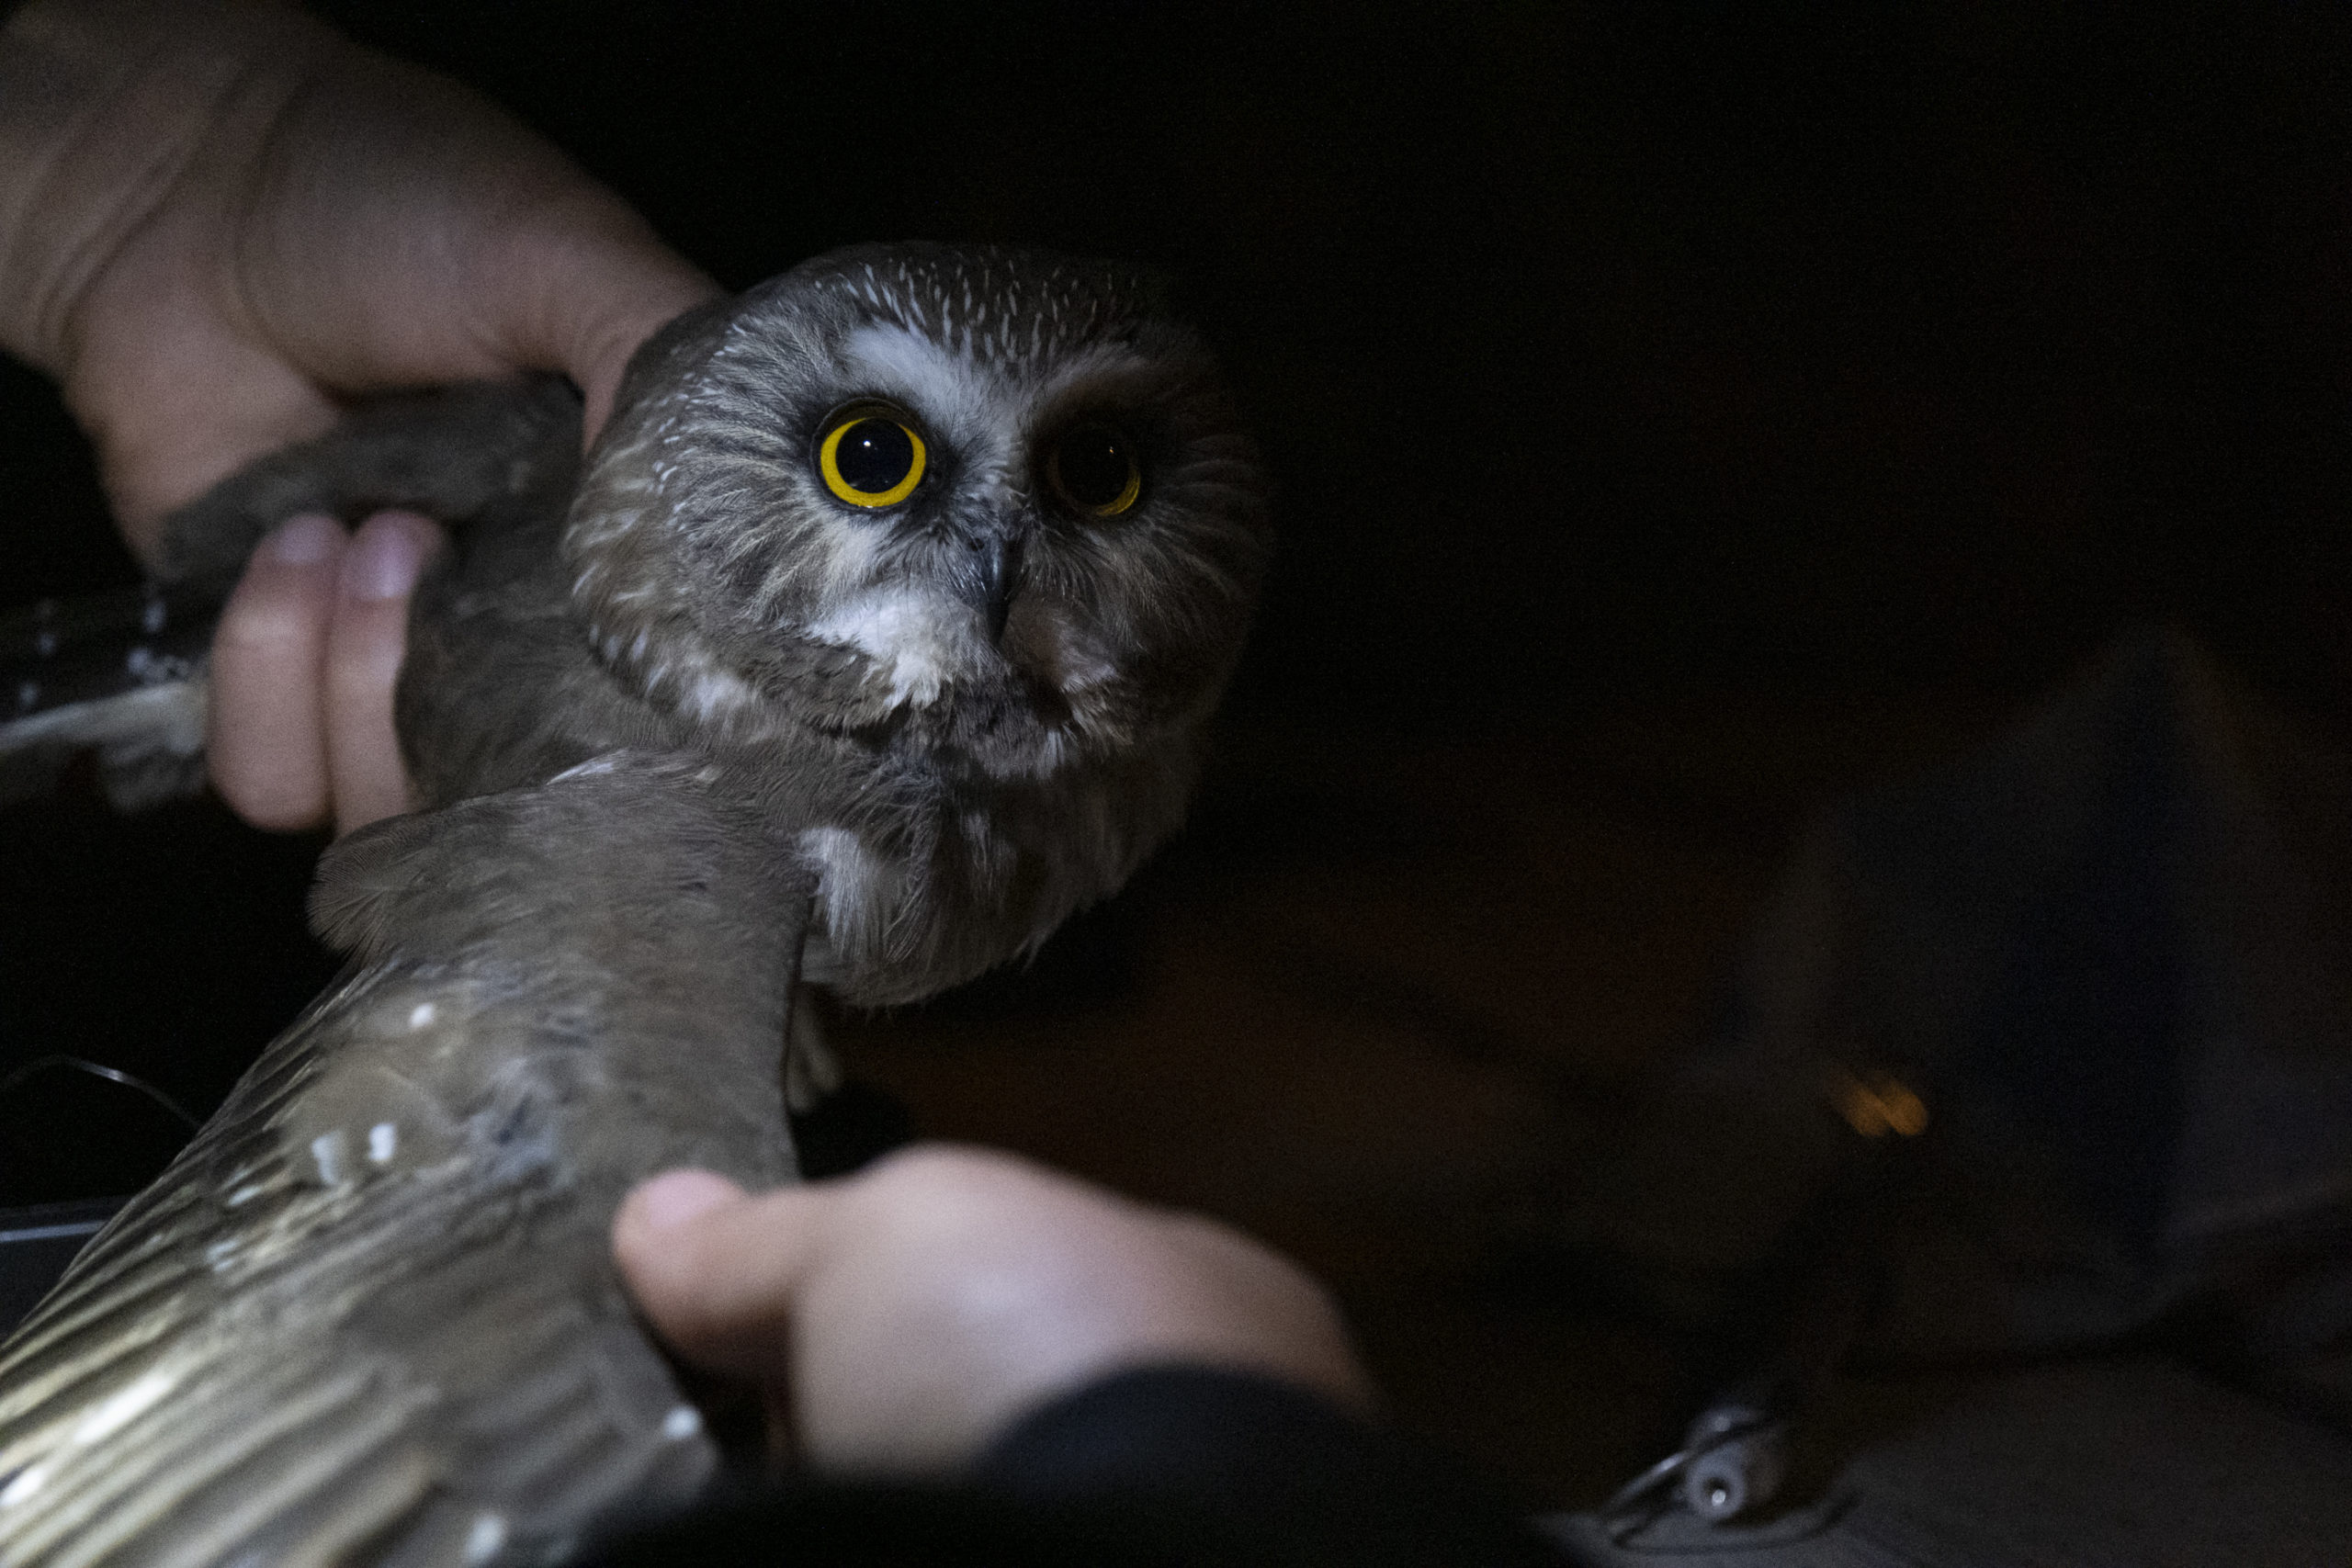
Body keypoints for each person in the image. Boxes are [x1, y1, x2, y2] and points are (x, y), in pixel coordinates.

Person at [1, 4, 1568, 1561]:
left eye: (1097, 471)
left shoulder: (1081, 733)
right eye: (872, 460)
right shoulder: (709, 812)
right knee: (536, 1398)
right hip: (444, 685)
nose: (998, 549)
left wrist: (162, 171)